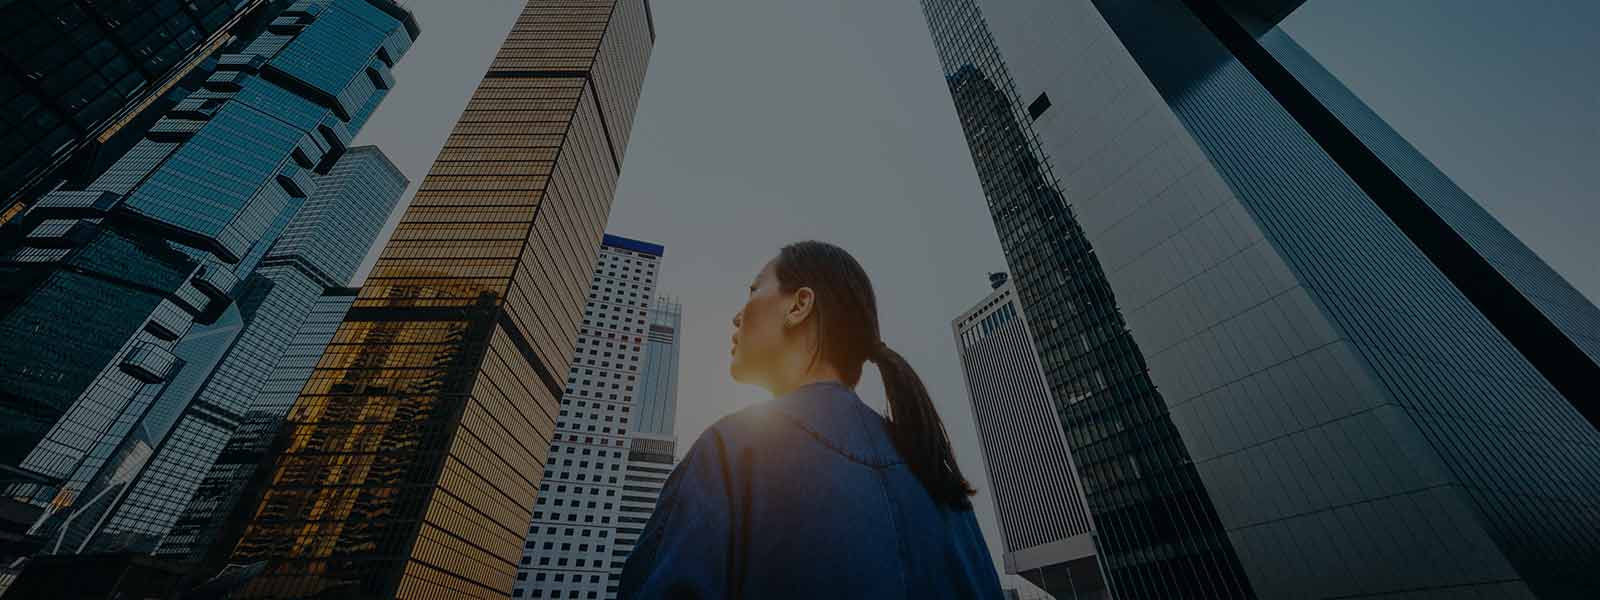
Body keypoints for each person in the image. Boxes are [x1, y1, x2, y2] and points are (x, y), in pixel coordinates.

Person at [617, 241, 1005, 599]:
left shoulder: (730, 454)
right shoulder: (940, 482)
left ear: (799, 305)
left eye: (753, 291)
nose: (737, 316)